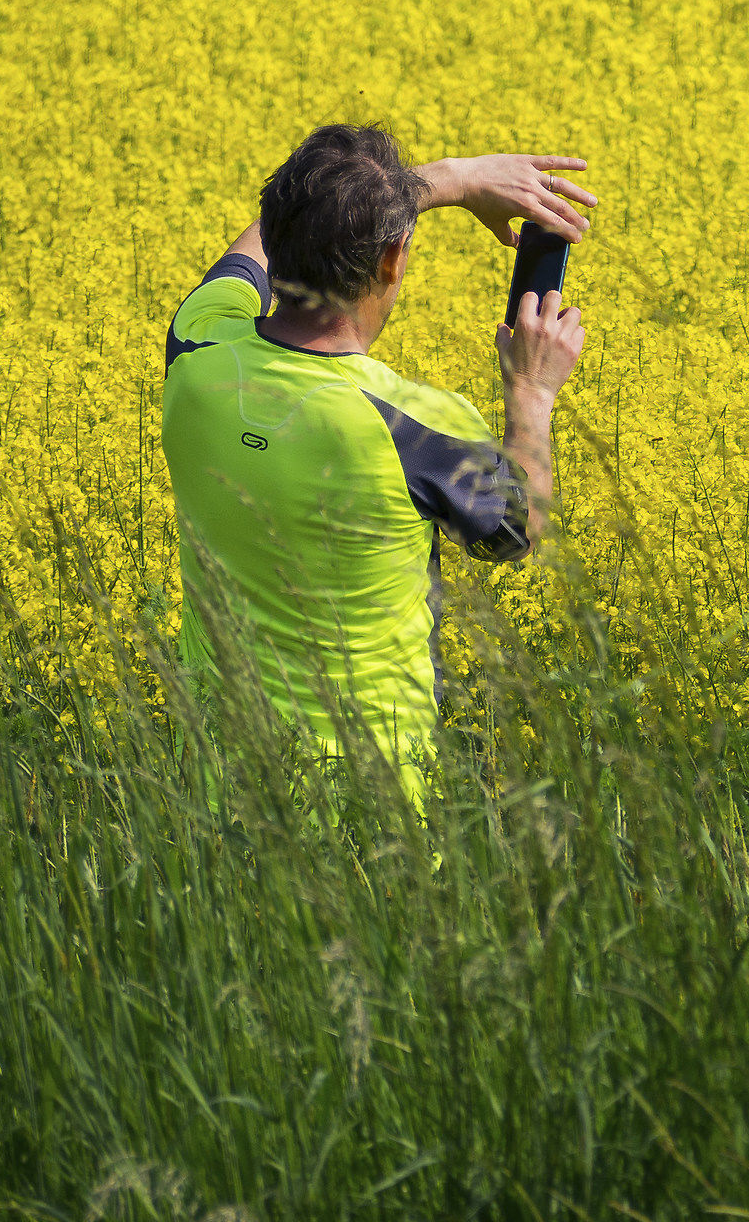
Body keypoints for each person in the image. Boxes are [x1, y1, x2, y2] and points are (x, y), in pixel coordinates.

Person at [160, 124, 595, 809]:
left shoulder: (197, 351)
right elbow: (519, 532)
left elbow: (251, 249)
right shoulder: (416, 427)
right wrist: (532, 395)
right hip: (366, 810)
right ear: (392, 261)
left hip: (207, 794)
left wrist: (435, 182)